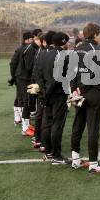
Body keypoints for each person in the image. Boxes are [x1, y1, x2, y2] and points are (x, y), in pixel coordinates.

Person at [70, 23, 100, 173]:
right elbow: (98, 73)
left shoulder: (76, 48)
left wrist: (75, 89)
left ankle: (75, 160)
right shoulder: (98, 50)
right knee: (93, 128)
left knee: (78, 125)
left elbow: (72, 72)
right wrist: (84, 89)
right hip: (92, 92)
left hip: (79, 92)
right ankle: (94, 164)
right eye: (99, 34)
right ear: (94, 34)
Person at [40, 32, 71, 164]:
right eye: (67, 41)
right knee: (56, 125)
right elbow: (57, 78)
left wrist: (43, 93)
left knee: (47, 124)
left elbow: (39, 75)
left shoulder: (46, 54)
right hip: (57, 95)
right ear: (63, 42)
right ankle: (56, 156)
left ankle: (48, 153)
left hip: (46, 93)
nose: (68, 44)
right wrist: (47, 93)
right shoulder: (62, 55)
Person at [17, 30, 40, 135]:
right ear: (37, 40)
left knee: (30, 102)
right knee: (28, 102)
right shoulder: (31, 49)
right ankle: (24, 128)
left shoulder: (34, 48)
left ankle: (27, 124)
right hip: (26, 79)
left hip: (30, 79)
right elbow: (29, 67)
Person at [8, 32, 33, 126]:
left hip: (21, 76)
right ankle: (21, 121)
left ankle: (18, 119)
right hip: (21, 77)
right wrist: (13, 77)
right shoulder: (20, 49)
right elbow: (13, 63)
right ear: (27, 39)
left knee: (20, 97)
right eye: (31, 39)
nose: (32, 41)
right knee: (22, 98)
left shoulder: (27, 48)